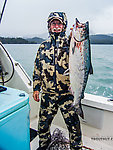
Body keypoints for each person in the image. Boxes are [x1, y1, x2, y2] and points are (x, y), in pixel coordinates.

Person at [33, 12, 83, 150]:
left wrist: (75, 35)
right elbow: (37, 68)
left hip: (67, 95)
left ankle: (76, 148)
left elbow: (80, 52)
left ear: (64, 26)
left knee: (74, 127)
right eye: (53, 23)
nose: (56, 26)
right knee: (42, 126)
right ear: (49, 26)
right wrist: (36, 88)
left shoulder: (70, 44)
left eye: (59, 23)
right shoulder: (43, 46)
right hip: (48, 95)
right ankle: (43, 147)